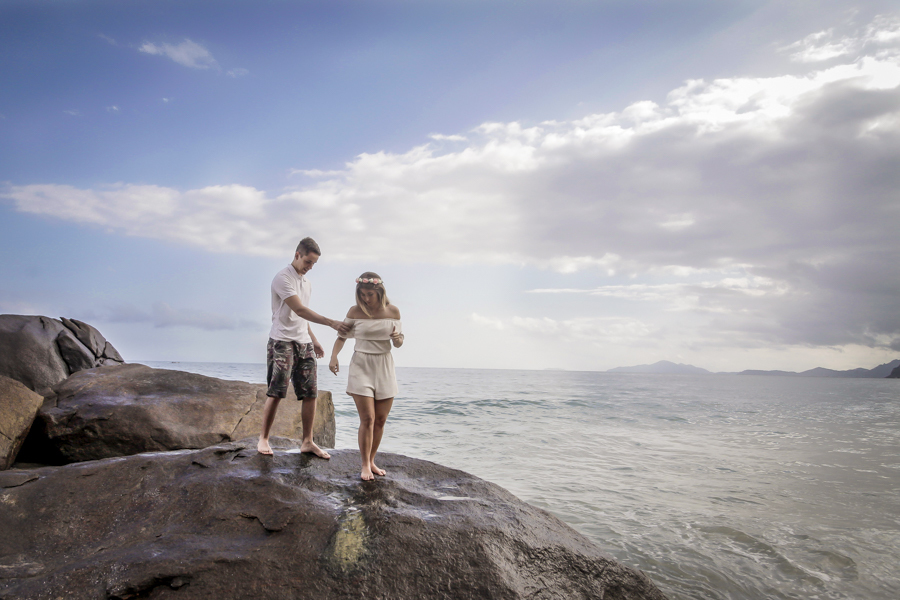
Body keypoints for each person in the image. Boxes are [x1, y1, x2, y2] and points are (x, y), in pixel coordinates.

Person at [258, 237, 350, 458]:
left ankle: (308, 442)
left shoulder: (307, 283)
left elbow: (302, 317)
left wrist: (315, 339)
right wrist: (331, 323)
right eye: (308, 262)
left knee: (310, 393)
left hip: (304, 343)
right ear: (297, 254)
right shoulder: (282, 278)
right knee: (277, 391)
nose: (310, 267)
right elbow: (298, 310)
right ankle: (263, 438)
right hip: (282, 342)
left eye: (314, 264)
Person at [329, 272, 404, 481]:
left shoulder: (393, 311)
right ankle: (363, 465)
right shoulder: (354, 311)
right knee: (368, 418)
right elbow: (341, 336)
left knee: (380, 420)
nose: (366, 299)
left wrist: (398, 338)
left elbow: (398, 343)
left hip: (384, 365)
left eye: (370, 294)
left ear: (379, 292)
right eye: (362, 294)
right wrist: (334, 357)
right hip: (361, 364)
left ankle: (372, 461)